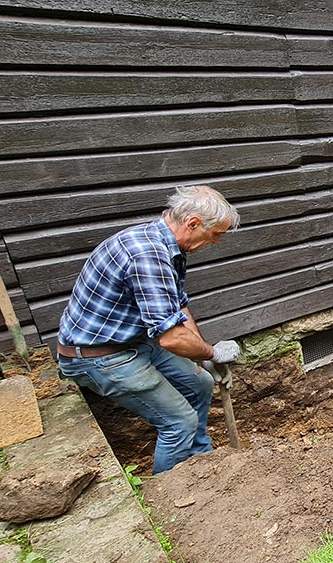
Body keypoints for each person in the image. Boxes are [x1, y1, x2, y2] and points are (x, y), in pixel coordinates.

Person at [57, 185, 242, 474]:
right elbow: (170, 338)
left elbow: (178, 308)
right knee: (179, 422)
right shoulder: (147, 255)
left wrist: (202, 355)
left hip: (134, 341)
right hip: (100, 356)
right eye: (215, 234)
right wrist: (212, 351)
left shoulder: (169, 246)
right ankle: (170, 490)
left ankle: (201, 464)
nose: (216, 242)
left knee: (201, 383)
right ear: (193, 223)